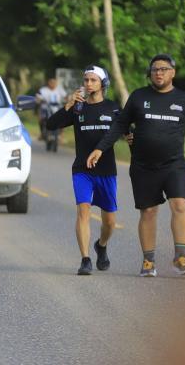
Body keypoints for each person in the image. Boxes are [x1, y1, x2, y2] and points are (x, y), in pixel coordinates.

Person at [86, 54, 185, 277]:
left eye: (164, 69)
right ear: (150, 73)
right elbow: (119, 125)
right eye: (155, 69)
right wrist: (100, 148)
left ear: (173, 72)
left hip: (174, 165)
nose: (159, 73)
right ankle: (148, 261)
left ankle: (181, 257)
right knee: (148, 211)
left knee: (180, 206)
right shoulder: (138, 97)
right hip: (143, 166)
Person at [47, 65, 124, 275]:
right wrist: (69, 104)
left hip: (107, 171)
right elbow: (50, 125)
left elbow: (127, 131)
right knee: (83, 210)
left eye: (93, 80)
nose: (89, 84)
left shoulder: (113, 109)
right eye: (86, 80)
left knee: (109, 221)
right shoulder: (78, 108)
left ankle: (101, 245)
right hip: (82, 170)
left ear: (103, 83)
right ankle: (85, 259)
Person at [35, 77, 67, 141]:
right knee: (41, 118)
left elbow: (66, 97)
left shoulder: (60, 90)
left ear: (56, 83)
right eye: (51, 82)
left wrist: (67, 99)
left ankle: (61, 135)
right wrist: (39, 100)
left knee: (64, 118)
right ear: (48, 83)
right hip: (46, 107)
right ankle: (42, 133)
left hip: (57, 107)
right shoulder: (43, 90)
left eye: (54, 82)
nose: (52, 84)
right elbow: (37, 97)